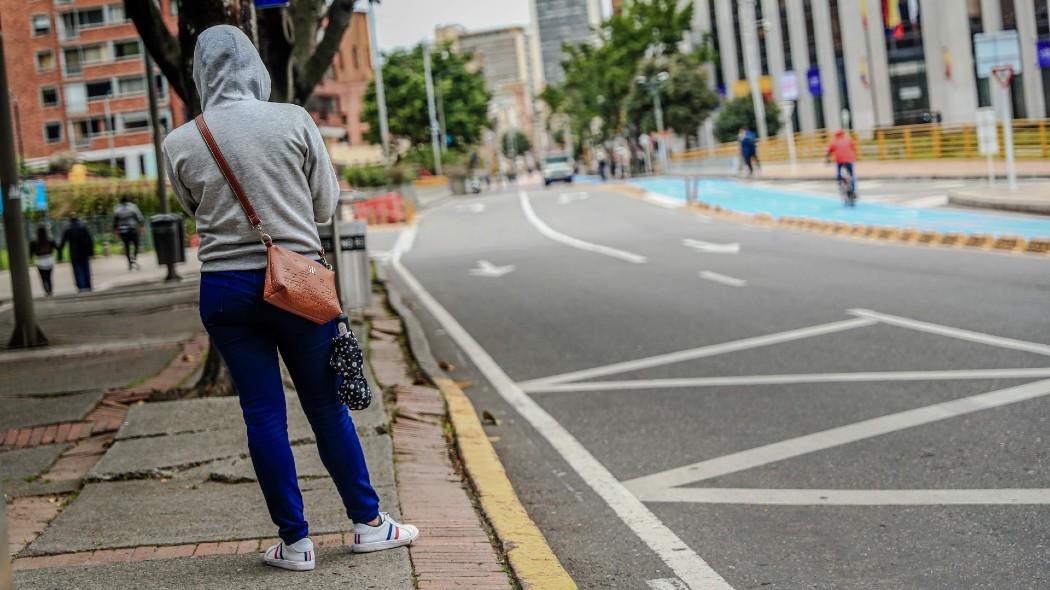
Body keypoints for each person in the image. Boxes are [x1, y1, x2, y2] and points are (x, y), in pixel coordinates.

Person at [163, 25, 418, 573]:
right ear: (257, 65)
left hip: (225, 288)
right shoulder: (294, 120)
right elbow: (324, 206)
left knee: (262, 415)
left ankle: (295, 541)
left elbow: (193, 209)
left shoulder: (181, 140)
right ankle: (369, 524)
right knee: (325, 407)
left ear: (200, 73)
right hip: (298, 282)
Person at [59, 215, 93, 292]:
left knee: (77, 270)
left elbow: (63, 242)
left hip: (74, 252)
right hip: (84, 252)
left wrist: (60, 254)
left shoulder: (68, 229)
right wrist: (91, 252)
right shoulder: (83, 227)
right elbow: (89, 240)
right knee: (86, 268)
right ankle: (88, 284)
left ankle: (81, 286)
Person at [112, 195, 145, 270]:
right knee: (136, 244)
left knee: (126, 246)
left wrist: (116, 231)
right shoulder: (133, 207)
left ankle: (129, 262)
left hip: (122, 230)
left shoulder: (117, 208)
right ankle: (134, 258)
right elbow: (139, 217)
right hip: (132, 229)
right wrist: (142, 227)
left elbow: (115, 221)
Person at [825, 128, 858, 194]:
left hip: (839, 161)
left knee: (839, 173)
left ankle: (840, 183)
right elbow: (854, 148)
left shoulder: (833, 141)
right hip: (849, 160)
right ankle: (853, 191)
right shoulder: (849, 139)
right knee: (852, 175)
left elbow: (828, 152)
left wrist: (827, 159)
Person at [30, 224, 58, 296]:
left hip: (40, 261)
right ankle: (50, 290)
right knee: (49, 277)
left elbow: (31, 252)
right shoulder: (49, 239)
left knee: (43, 277)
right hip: (49, 259)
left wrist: (30, 258)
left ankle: (46, 290)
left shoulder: (34, 241)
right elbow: (56, 247)